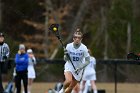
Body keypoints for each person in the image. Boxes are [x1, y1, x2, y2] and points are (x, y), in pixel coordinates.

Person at [59, 29, 90, 93]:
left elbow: (87, 61)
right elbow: (65, 59)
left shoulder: (84, 48)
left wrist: (80, 68)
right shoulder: (69, 46)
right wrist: (66, 54)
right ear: (73, 38)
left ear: (81, 39)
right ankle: (61, 90)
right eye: (75, 37)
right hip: (69, 66)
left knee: (70, 88)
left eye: (79, 38)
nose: (77, 39)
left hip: (79, 69)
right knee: (68, 81)